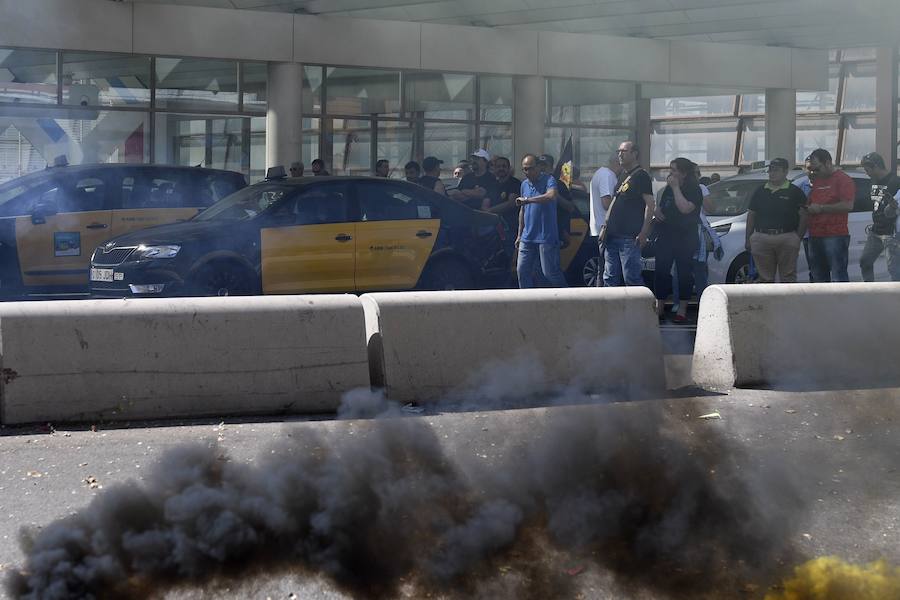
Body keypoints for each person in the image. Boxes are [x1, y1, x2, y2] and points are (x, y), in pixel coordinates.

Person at [653, 157, 703, 323]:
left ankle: (682, 309)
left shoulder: (694, 189)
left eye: (674, 170)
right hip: (666, 236)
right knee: (661, 272)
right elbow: (663, 206)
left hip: (685, 238)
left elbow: (685, 209)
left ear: (683, 173)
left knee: (684, 273)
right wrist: (657, 211)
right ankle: (659, 307)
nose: (671, 173)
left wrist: (675, 188)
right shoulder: (668, 189)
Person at [744, 157, 808, 283]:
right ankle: (767, 303)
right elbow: (751, 215)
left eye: (776, 170)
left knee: (788, 277)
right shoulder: (760, 191)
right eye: (770, 170)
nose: (772, 173)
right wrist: (748, 238)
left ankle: (788, 303)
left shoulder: (795, 191)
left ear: (785, 172)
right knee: (764, 278)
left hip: (787, 237)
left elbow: (804, 215)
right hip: (761, 237)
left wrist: (797, 237)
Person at [602, 141, 654, 287]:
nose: (620, 154)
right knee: (610, 277)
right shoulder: (622, 175)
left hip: (629, 237)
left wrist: (644, 232)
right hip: (612, 235)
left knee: (631, 278)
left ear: (634, 153)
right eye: (618, 151)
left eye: (624, 151)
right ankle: (611, 309)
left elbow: (650, 204)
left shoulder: (641, 176)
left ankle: (639, 309)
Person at [516, 153, 567, 289]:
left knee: (549, 273)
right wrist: (519, 235)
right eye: (524, 169)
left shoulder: (549, 179)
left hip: (546, 236)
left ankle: (567, 298)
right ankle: (528, 302)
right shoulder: (524, 185)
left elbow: (551, 196)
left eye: (530, 168)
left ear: (538, 167)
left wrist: (528, 200)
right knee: (522, 271)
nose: (527, 172)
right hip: (527, 237)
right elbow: (522, 210)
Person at [804, 148, 853, 282]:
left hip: (835, 234)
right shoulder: (818, 180)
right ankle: (820, 303)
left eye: (817, 169)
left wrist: (821, 208)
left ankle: (840, 303)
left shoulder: (843, 179)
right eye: (812, 170)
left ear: (827, 163)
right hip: (815, 234)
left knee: (838, 275)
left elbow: (848, 205)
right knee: (817, 275)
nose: (814, 173)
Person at [859, 151, 900, 281]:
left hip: (890, 232)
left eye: (867, 169)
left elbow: (894, 209)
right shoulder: (873, 181)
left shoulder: (895, 181)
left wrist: (893, 206)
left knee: (893, 268)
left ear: (876, 166)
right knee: (865, 261)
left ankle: (896, 296)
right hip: (876, 230)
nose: (867, 173)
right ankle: (870, 290)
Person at [589, 155, 622, 285]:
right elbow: (607, 203)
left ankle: (601, 297)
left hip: (601, 226)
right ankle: (605, 299)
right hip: (606, 227)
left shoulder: (600, 173)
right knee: (608, 269)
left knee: (603, 268)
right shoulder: (607, 176)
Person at [486, 155, 521, 233]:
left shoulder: (515, 183)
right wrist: (485, 211)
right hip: (493, 225)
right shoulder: (491, 184)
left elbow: (511, 203)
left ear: (508, 169)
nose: (501, 168)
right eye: (498, 166)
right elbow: (485, 202)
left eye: (504, 166)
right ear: (494, 169)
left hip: (509, 226)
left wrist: (489, 211)